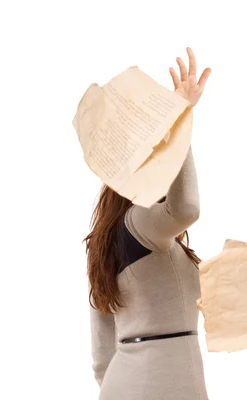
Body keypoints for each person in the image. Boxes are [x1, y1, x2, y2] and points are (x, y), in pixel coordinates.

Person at [84, 47, 211, 399]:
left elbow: (101, 354)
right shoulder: (140, 224)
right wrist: (179, 117)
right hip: (164, 383)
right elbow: (186, 207)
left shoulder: (107, 239)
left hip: (124, 382)